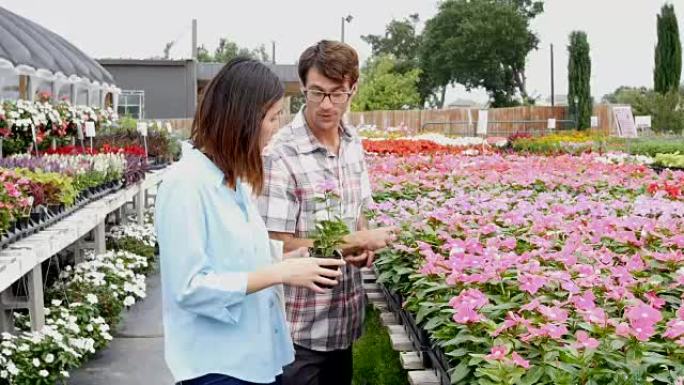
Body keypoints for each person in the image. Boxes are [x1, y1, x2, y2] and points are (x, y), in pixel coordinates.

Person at [155, 58, 345, 385]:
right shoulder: (186, 184)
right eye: (272, 118)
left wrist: (286, 260)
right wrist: (277, 273)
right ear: (243, 120)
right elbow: (189, 287)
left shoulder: (232, 182)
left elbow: (233, 257)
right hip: (217, 367)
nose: (276, 128)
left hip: (253, 357)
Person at [258, 41, 397, 385]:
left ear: (353, 88)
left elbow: (358, 213)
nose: (326, 105)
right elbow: (275, 245)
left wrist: (361, 248)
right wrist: (356, 238)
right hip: (297, 330)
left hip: (343, 323)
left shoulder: (353, 143)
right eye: (316, 93)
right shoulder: (281, 153)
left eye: (337, 94)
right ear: (303, 87)